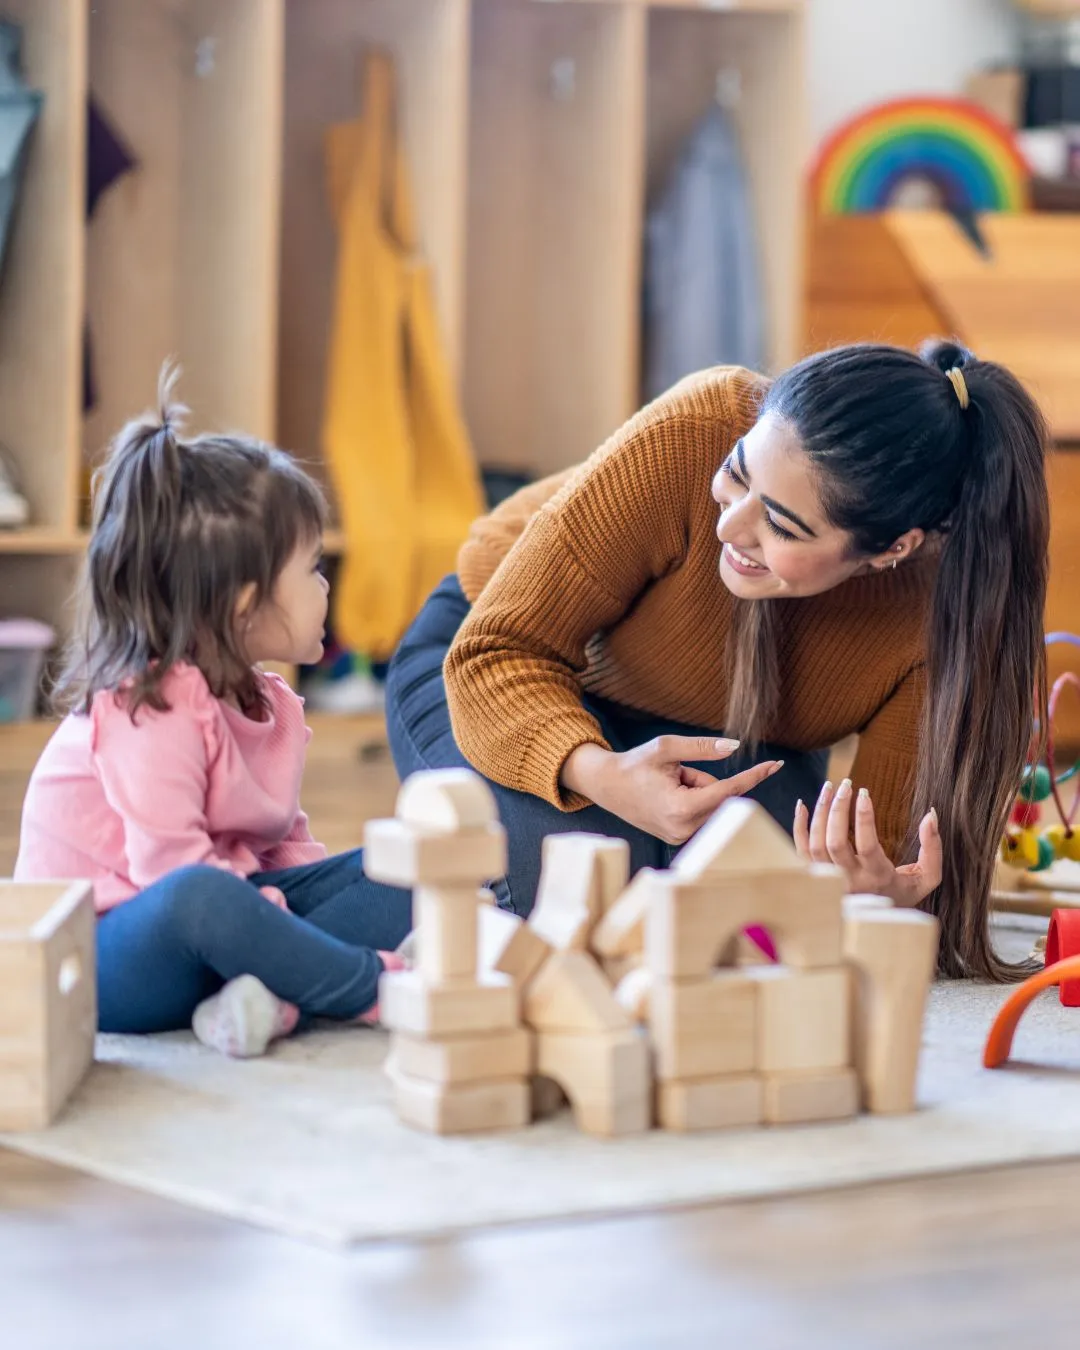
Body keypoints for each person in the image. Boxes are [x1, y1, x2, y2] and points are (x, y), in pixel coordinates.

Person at [385, 341, 1050, 980]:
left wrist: (870, 897)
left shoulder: (942, 617)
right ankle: (288, 913)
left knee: (741, 913)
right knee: (566, 898)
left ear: (890, 551)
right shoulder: (696, 425)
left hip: (734, 731)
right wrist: (602, 776)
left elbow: (890, 851)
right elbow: (496, 651)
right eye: (738, 472)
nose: (728, 528)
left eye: (784, 527)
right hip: (498, 656)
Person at [15, 367, 412, 1056]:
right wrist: (288, 930)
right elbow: (174, 876)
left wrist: (299, 921)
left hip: (222, 918)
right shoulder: (153, 705)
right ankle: (371, 986)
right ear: (244, 602)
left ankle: (271, 989)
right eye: (315, 569)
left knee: (398, 865)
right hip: (106, 955)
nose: (326, 588)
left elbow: (285, 843)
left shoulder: (264, 699)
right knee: (202, 894)